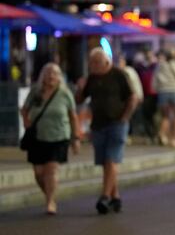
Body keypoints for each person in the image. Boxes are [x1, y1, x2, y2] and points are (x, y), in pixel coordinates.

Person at [76, 48, 136, 215]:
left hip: (117, 123)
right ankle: (115, 196)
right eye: (91, 63)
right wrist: (80, 88)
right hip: (98, 125)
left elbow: (133, 97)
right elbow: (79, 99)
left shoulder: (119, 75)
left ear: (106, 62)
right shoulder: (92, 78)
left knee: (111, 159)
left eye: (96, 63)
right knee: (105, 162)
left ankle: (104, 196)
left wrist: (125, 117)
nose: (93, 66)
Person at [19, 63, 82, 215]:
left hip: (59, 136)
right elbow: (24, 109)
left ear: (59, 76)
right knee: (39, 172)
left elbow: (73, 116)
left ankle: (50, 201)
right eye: (48, 73)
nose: (51, 76)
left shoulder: (65, 93)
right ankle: (49, 194)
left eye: (54, 73)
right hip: (37, 137)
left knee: (51, 170)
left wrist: (76, 138)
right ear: (43, 76)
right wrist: (26, 121)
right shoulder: (36, 92)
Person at [118, 55, 144, 139]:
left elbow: (135, 85)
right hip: (129, 98)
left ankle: (126, 135)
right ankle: (126, 135)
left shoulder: (127, 71)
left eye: (120, 61)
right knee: (127, 116)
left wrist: (139, 95)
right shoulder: (125, 71)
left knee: (127, 116)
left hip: (131, 98)